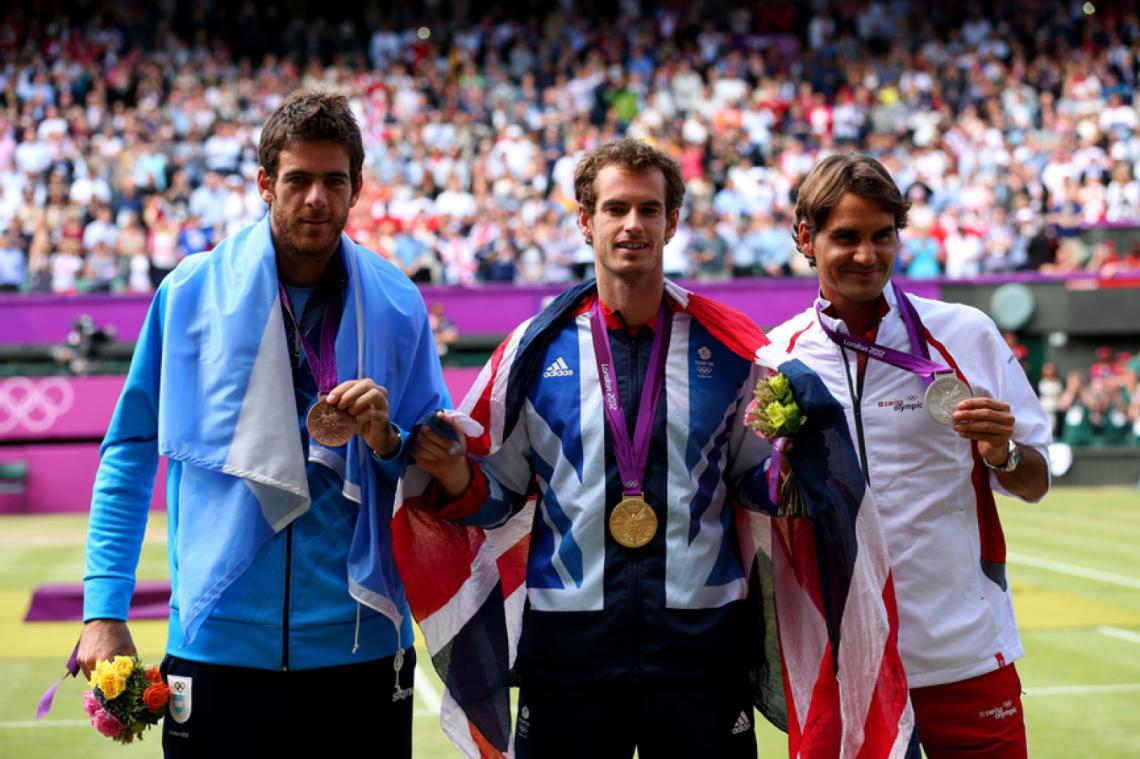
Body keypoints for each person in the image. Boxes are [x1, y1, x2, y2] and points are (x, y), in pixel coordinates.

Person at [77, 90, 449, 757]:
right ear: (264, 183)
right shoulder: (188, 294)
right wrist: (105, 609)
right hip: (218, 642)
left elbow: (436, 468)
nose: (315, 198)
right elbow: (130, 451)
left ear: (356, 187)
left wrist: (387, 441)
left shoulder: (397, 303)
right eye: (298, 179)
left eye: (333, 180)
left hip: (359, 643)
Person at [409, 138, 776, 758]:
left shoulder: (731, 352)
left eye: (649, 209)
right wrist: (451, 473)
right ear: (586, 221)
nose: (633, 224)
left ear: (672, 221)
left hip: (703, 656)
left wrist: (794, 468)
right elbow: (496, 499)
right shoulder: (533, 350)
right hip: (569, 661)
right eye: (615, 208)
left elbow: (755, 479)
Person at [770, 153, 1051, 758]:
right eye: (845, 237)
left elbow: (1036, 480)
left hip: (961, 651)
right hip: (843, 663)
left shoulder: (966, 333)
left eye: (882, 235)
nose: (866, 255)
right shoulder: (775, 360)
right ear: (806, 239)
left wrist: (1001, 452)